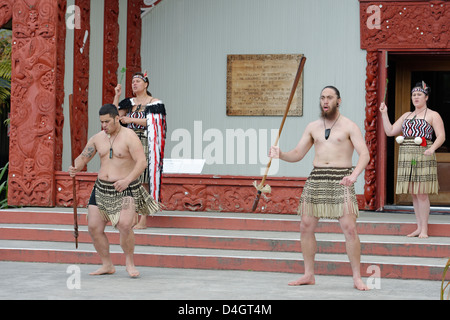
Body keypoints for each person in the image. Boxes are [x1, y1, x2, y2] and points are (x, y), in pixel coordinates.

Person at [269, 86, 370, 291]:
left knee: (349, 229)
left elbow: (365, 154)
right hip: (316, 178)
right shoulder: (313, 127)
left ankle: (357, 277)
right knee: (305, 226)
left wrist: (354, 175)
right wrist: (281, 155)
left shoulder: (349, 126)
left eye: (330, 97)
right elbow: (297, 154)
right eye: (323, 97)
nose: (325, 101)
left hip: (341, 178)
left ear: (338, 101)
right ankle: (308, 274)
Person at [68, 104, 160, 277]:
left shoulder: (129, 137)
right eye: (102, 122)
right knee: (94, 227)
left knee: (125, 225)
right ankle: (107, 264)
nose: (104, 125)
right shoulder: (98, 138)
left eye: (107, 122)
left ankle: (130, 263)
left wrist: (127, 180)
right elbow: (83, 157)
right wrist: (75, 167)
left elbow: (141, 162)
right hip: (102, 188)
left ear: (117, 118)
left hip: (124, 187)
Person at [379, 81, 445, 238]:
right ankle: (418, 227)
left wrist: (432, 148)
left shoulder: (433, 115)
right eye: (413, 95)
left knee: (422, 192)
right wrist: (384, 113)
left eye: (419, 95)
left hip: (423, 154)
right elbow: (390, 131)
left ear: (426, 97)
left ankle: (424, 230)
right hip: (407, 156)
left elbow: (441, 136)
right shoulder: (406, 116)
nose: (416, 97)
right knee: (413, 193)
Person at [113, 72, 167, 229]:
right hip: (130, 141)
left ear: (146, 84)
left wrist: (132, 120)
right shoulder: (129, 102)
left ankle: (143, 219)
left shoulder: (155, 103)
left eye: (137, 81)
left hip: (146, 141)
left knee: (143, 180)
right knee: (131, 180)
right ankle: (132, 217)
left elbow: (155, 122)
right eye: (132, 82)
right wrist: (117, 96)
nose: (134, 84)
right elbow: (114, 116)